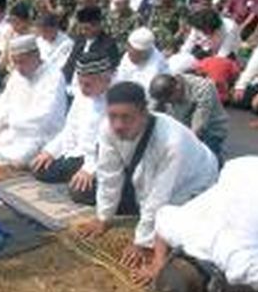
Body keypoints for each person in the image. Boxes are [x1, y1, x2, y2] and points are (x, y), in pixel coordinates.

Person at [78, 82, 219, 271]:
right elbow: (108, 175)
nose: (118, 125)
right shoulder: (108, 128)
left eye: (127, 117)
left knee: (180, 234)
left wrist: (143, 242)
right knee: (82, 192)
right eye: (113, 116)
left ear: (144, 114)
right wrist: (103, 217)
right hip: (145, 173)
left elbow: (159, 197)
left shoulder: (171, 142)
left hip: (194, 182)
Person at [133, 157, 258, 292]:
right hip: (245, 172)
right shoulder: (183, 228)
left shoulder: (243, 263)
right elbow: (162, 222)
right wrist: (158, 263)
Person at [30, 52, 112, 204]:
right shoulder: (82, 95)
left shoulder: (116, 102)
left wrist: (90, 169)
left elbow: (110, 147)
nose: (82, 88)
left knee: (79, 193)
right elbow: (69, 128)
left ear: (105, 79)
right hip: (78, 154)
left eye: (87, 84)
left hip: (103, 161)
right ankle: (75, 174)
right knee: (38, 168)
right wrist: (50, 151)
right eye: (80, 83)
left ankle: (82, 179)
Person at [0, 34, 68, 171]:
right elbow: (3, 102)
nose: (18, 67)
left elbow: (47, 116)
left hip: (37, 133)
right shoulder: (17, 75)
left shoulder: (54, 76)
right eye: (15, 62)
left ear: (36, 56)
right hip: (11, 128)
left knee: (21, 155)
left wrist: (12, 122)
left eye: (22, 62)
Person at [149, 73, 229, 160]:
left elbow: (199, 125)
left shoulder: (203, 88)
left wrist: (183, 146)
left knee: (208, 161)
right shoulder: (164, 88)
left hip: (210, 129)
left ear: (177, 88)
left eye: (169, 100)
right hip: (183, 126)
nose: (168, 103)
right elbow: (152, 112)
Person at [62, 6, 120, 86]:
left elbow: (109, 72)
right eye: (81, 29)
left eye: (86, 29)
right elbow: (70, 63)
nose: (83, 32)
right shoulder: (80, 39)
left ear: (97, 26)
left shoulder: (108, 44)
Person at [113, 27, 170, 92]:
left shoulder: (156, 64)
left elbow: (146, 91)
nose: (129, 54)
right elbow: (120, 78)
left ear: (144, 54)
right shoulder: (129, 54)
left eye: (134, 53)